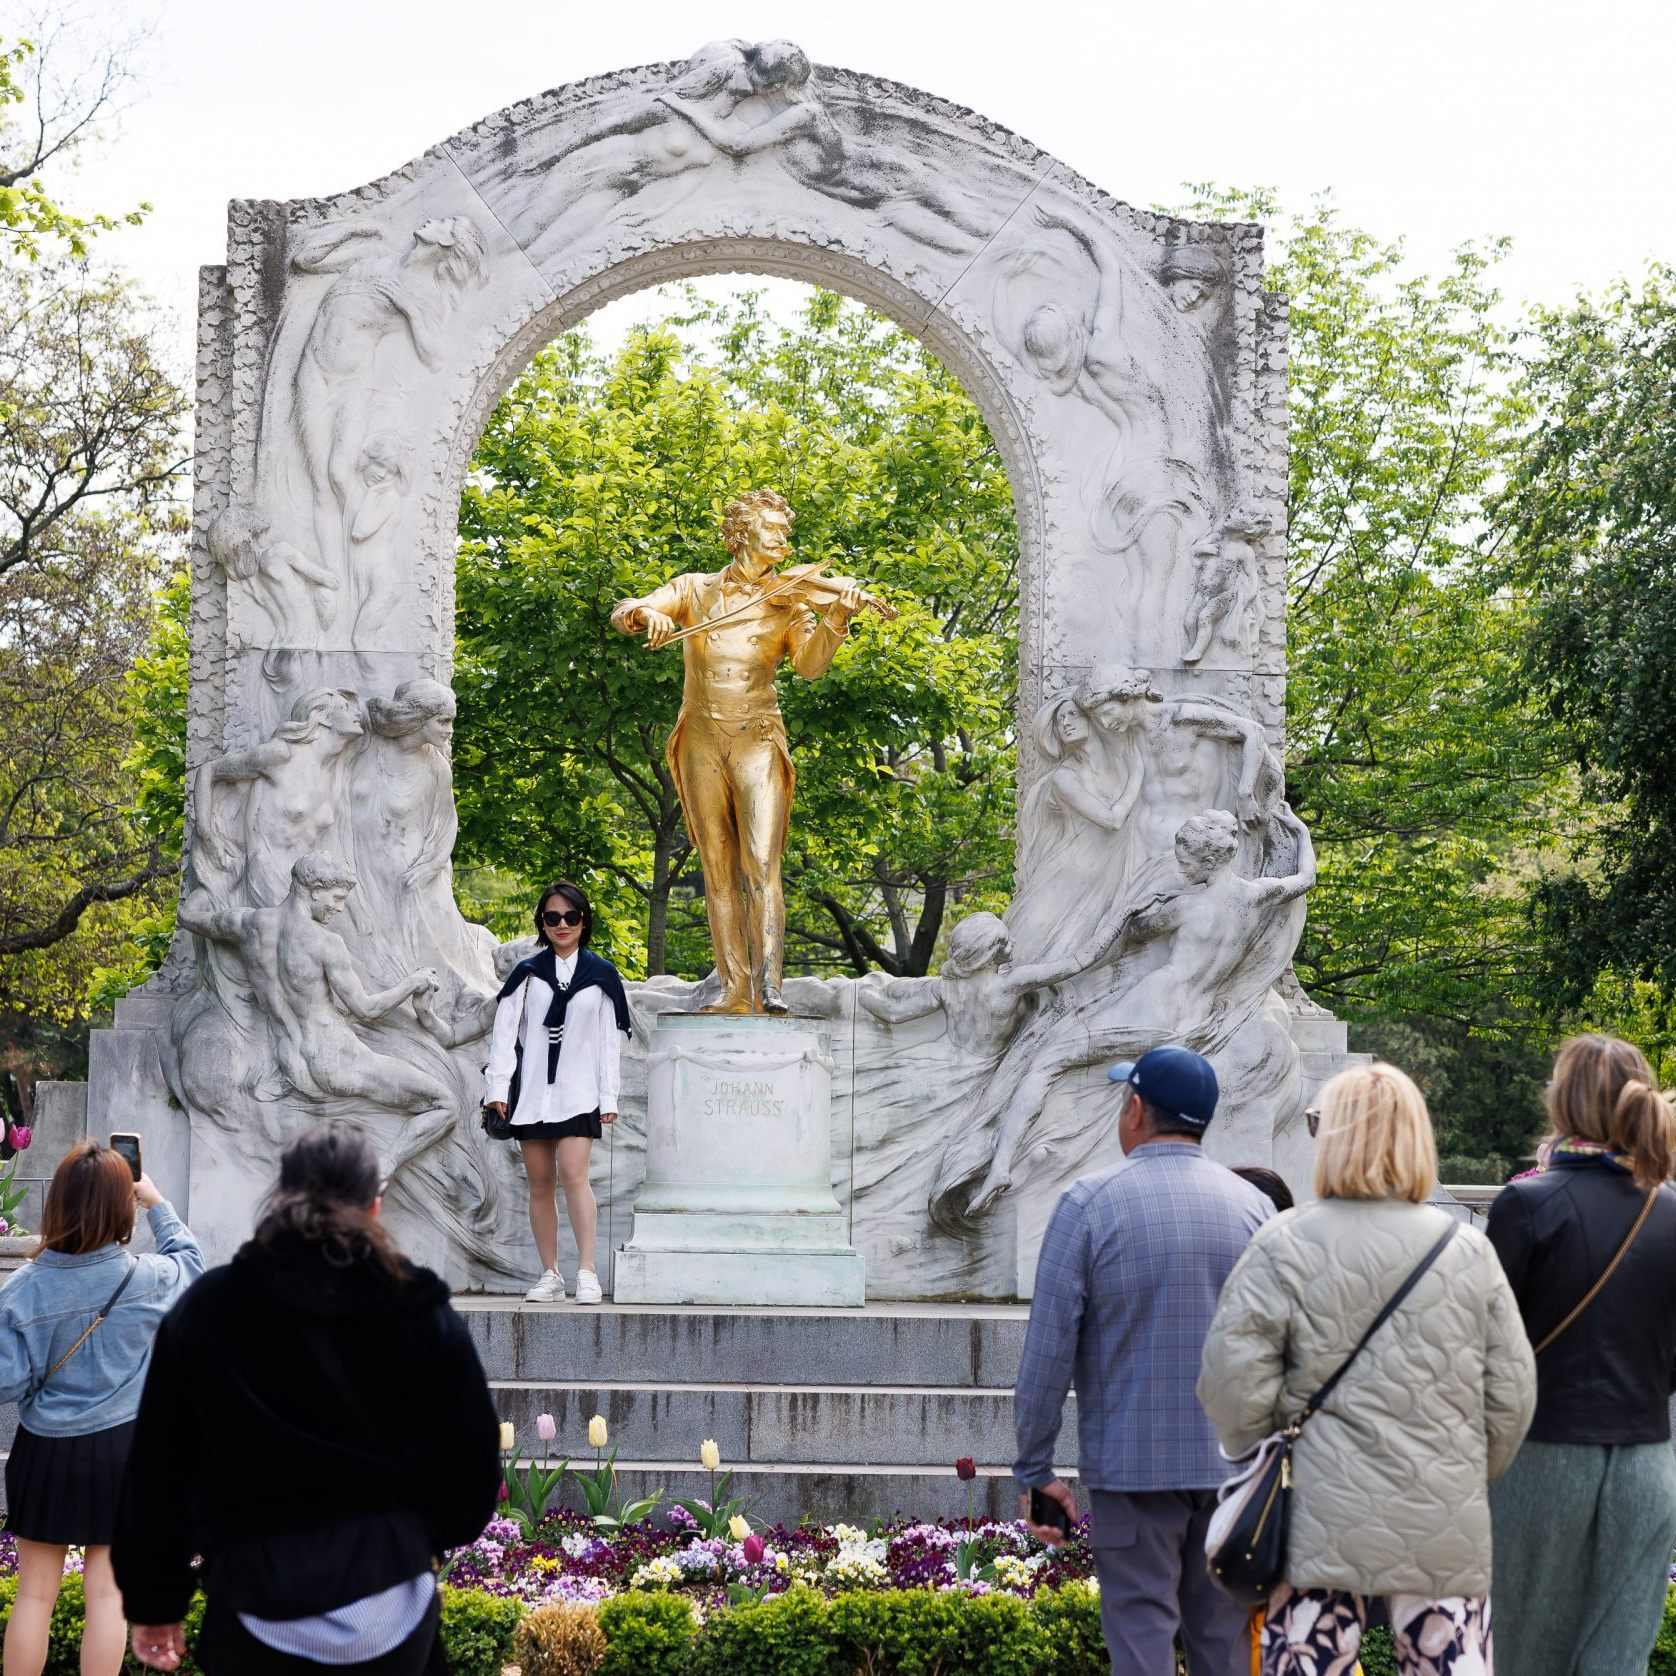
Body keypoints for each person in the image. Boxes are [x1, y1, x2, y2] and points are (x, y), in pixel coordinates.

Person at [114, 1121, 499, 1674]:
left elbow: (158, 1474)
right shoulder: (418, 1312)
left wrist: (156, 1601)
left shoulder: (211, 1310)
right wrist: (416, 1540)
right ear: (374, 1207)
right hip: (389, 1599)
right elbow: (470, 1474)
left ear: (281, 1198)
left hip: (256, 1603)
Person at [1198, 1062, 1535, 1676]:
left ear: (1331, 1139)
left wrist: (1277, 1440)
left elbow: (1230, 1386)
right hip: (1440, 1522)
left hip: (1316, 1520)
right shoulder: (1467, 1251)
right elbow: (1511, 1399)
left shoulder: (1283, 1243)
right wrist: (1461, 1469)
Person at [1013, 1045, 1271, 1675]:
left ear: (1134, 1108)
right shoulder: (1252, 1209)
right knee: (1225, 1644)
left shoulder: (1087, 1204)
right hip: (1232, 1469)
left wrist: (1035, 1469)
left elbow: (1047, 1352)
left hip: (1132, 1468)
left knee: (1139, 1639)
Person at [611, 489, 888, 1013]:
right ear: (741, 532)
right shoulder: (694, 588)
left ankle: (771, 985)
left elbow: (809, 666)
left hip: (757, 736)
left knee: (761, 861)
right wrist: (645, 615)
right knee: (717, 866)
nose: (784, 537)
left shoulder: (792, 599)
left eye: (786, 529)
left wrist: (838, 619)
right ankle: (735, 987)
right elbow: (625, 608)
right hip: (699, 736)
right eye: (773, 527)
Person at [1485, 1033, 1676, 1676]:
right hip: (1647, 1461)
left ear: (1562, 1101)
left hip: (1543, 1459)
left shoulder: (1527, 1204)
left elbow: (1494, 1349)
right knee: (1618, 1661)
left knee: (1526, 1659)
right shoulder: (1672, 1211)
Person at [0, 1142, 203, 1676]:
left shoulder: (23, 1288)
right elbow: (194, 1266)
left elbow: (5, 1381)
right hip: (124, 1453)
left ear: (58, 1204)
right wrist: (157, 1203)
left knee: (34, 1597)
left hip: (45, 1451)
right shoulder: (150, 1278)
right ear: (124, 1207)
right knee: (108, 1597)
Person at [484, 879, 632, 1304]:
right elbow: (505, 1034)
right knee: (540, 1183)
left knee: (574, 1174)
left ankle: (587, 1271)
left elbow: (608, 1041)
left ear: (583, 921)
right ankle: (551, 1274)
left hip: (580, 1093)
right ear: (542, 923)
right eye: (553, 917)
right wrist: (498, 1088)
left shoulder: (601, 975)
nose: (562, 924)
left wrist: (610, 1098)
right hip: (532, 1095)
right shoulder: (528, 974)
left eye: (570, 916)